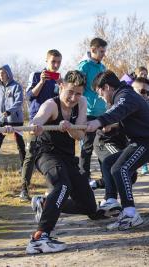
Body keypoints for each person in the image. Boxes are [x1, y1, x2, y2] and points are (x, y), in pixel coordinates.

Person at [26, 70, 98, 254]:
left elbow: (80, 134)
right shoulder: (51, 104)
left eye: (78, 93)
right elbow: (37, 121)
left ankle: (45, 204)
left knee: (89, 207)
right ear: (61, 86)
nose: (74, 97)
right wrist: (35, 127)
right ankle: (39, 238)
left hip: (67, 157)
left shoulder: (81, 103)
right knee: (62, 185)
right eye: (70, 92)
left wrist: (70, 129)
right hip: (46, 154)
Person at [86, 70, 149, 230]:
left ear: (106, 87)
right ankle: (112, 200)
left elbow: (118, 111)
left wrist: (100, 121)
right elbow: (124, 118)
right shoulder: (123, 95)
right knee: (108, 163)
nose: (100, 97)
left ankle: (130, 213)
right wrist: (112, 125)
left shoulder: (125, 96)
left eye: (99, 92)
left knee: (120, 169)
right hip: (140, 141)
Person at [20, 49, 62, 201]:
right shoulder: (37, 75)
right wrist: (42, 81)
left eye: (58, 62)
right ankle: (24, 188)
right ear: (46, 61)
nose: (56, 65)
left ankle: (53, 188)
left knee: (54, 154)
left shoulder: (59, 79)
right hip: (36, 120)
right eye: (53, 62)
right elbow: (30, 95)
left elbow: (61, 101)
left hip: (53, 122)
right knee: (31, 154)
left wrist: (62, 86)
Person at [78, 37, 107, 184]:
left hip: (102, 113)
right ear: (93, 50)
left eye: (104, 51)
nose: (103, 54)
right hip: (88, 113)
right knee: (87, 147)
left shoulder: (103, 67)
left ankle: (106, 176)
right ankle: (84, 178)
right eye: (101, 51)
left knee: (102, 146)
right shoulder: (83, 67)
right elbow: (78, 89)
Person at [0, 65, 26, 170]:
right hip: (1, 120)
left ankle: (24, 167)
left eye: (3, 73)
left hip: (15, 120)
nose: (1, 75)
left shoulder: (16, 86)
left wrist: (9, 111)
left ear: (8, 73)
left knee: (20, 145)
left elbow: (19, 102)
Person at [132, 77, 149, 175]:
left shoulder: (145, 107)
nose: (146, 96)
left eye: (148, 93)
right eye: (143, 91)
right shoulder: (126, 104)